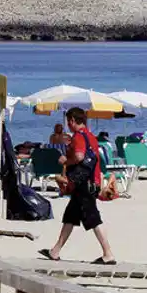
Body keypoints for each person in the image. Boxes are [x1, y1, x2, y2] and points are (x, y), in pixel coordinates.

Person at [40, 108, 116, 265]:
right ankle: (55, 251)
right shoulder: (91, 137)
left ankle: (108, 254)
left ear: (73, 121)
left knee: (93, 218)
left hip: (83, 184)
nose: (68, 124)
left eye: (69, 121)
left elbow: (80, 156)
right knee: (70, 216)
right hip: (91, 181)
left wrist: (65, 161)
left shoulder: (79, 137)